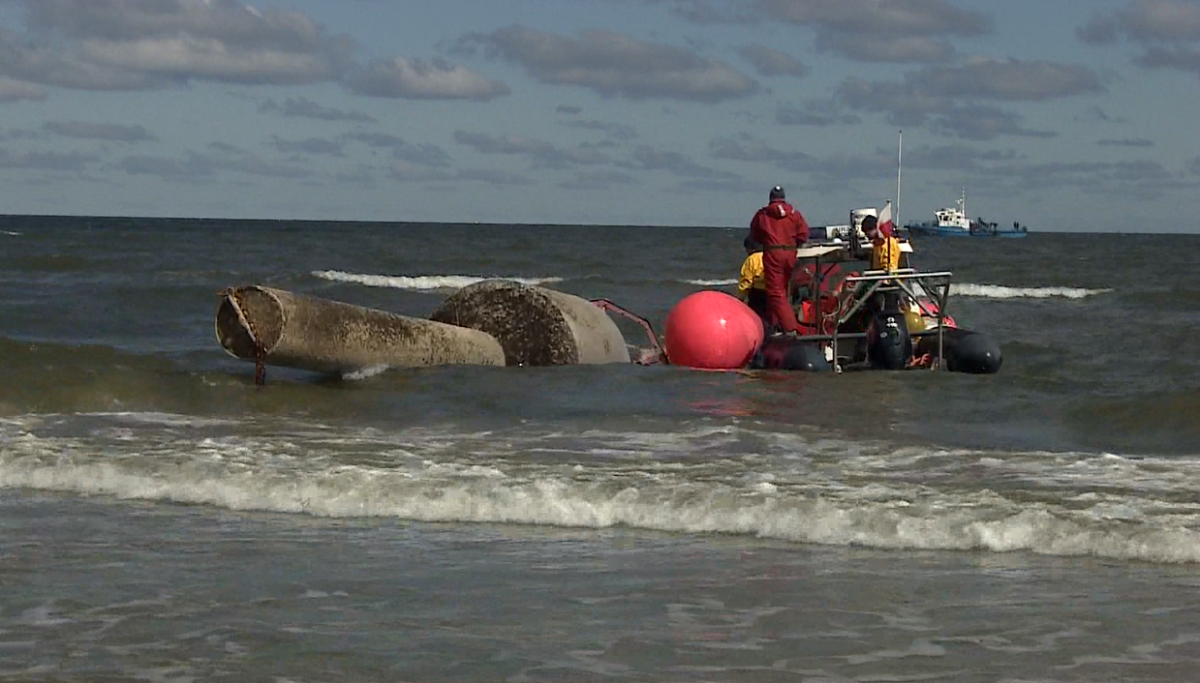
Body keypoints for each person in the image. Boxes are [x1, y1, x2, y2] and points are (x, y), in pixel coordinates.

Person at [749, 185, 809, 334]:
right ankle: (777, 324)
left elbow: (755, 234)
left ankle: (790, 328)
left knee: (775, 292)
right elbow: (803, 234)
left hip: (773, 253)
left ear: (771, 199)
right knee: (783, 290)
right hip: (790, 253)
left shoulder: (763, 215)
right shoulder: (795, 214)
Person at [736, 234, 768, 322]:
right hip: (774, 291)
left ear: (751, 248)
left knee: (757, 316)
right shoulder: (770, 256)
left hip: (758, 293)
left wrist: (740, 297)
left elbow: (746, 280)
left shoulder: (751, 259)